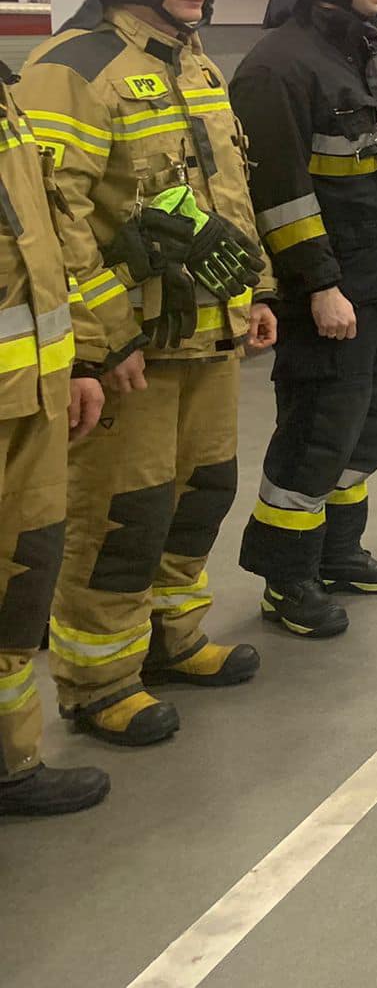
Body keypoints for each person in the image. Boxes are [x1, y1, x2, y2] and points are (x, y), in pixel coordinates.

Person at [18, 0, 275, 748]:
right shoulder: (72, 69)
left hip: (207, 335)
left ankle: (172, 640)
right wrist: (100, 343)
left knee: (200, 495)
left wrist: (255, 291)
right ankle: (99, 682)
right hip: (135, 351)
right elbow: (56, 218)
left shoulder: (194, 63)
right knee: (121, 515)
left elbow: (227, 190)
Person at [229, 0, 377, 640]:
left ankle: (339, 553)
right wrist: (318, 285)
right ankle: (287, 580)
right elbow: (279, 196)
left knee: (367, 425)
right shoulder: (276, 67)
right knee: (317, 432)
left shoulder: (369, 50)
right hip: (327, 292)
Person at [0, 63, 112, 816]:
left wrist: (77, 360)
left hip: (31, 391)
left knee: (22, 577)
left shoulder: (5, 97)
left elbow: (41, 245)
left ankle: (11, 762)